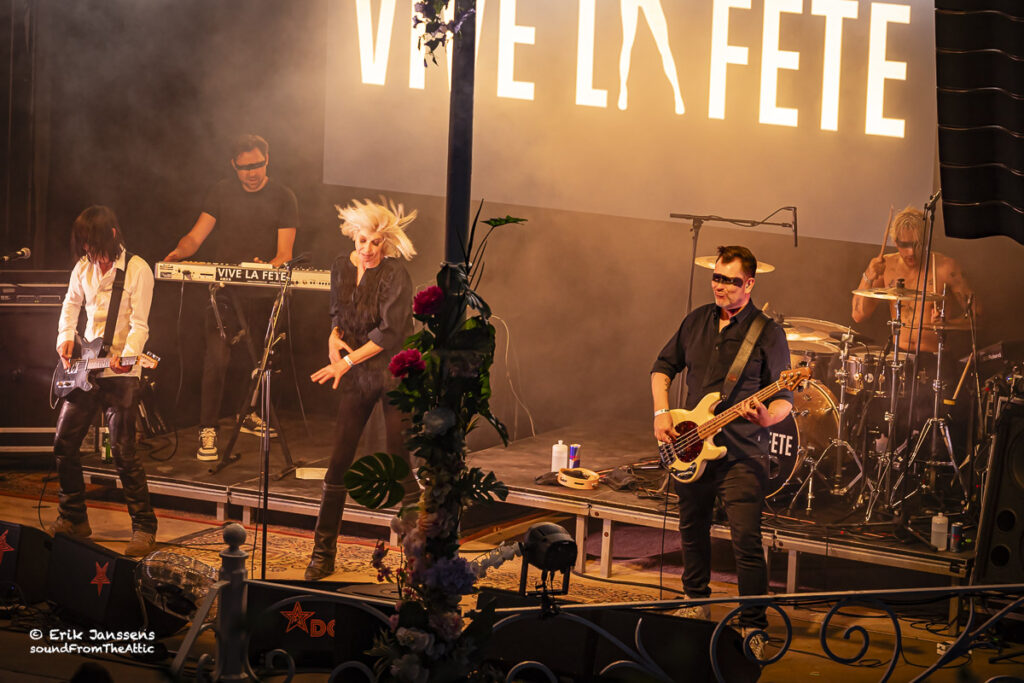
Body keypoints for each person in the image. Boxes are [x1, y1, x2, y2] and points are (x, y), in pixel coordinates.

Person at [650, 245, 793, 658]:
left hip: (743, 453)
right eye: (716, 277)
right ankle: (695, 602)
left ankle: (753, 625)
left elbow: (784, 397)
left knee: (746, 541)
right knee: (691, 528)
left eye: (730, 280)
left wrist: (766, 417)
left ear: (749, 284)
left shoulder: (768, 332)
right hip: (691, 446)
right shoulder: (696, 320)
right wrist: (661, 412)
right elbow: (662, 367)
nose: (720, 286)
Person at [164, 134, 299, 460]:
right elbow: (195, 237)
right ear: (233, 166)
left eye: (258, 165)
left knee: (259, 360)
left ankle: (247, 413)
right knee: (218, 358)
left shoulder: (284, 196)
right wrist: (179, 253)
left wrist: (266, 268)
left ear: (268, 160)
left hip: (262, 292)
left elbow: (285, 254)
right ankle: (207, 429)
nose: (251, 173)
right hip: (224, 291)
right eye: (244, 167)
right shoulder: (221, 192)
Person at [307, 198, 417, 581]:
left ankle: (421, 555)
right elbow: (338, 313)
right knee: (338, 461)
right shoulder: (341, 266)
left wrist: (345, 362)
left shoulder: (395, 274)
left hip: (394, 371)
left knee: (398, 459)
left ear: (386, 242)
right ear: (352, 236)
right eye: (362, 241)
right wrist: (333, 339)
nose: (367, 250)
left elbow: (389, 333)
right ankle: (322, 553)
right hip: (357, 372)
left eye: (375, 242)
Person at [51, 206, 158, 557]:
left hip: (121, 372)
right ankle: (73, 518)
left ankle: (144, 528)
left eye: (93, 243)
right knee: (64, 444)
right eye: (84, 244)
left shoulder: (138, 270)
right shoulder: (82, 268)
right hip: (86, 365)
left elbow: (140, 324)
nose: (88, 250)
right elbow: (70, 306)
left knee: (124, 453)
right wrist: (66, 337)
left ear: (112, 235)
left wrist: (128, 356)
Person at [852, 206, 975, 353]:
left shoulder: (946, 267)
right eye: (904, 245)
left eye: (917, 244)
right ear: (895, 242)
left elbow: (977, 317)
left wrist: (947, 323)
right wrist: (868, 277)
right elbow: (858, 315)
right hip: (898, 355)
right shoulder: (886, 266)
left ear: (926, 241)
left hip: (933, 356)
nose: (911, 252)